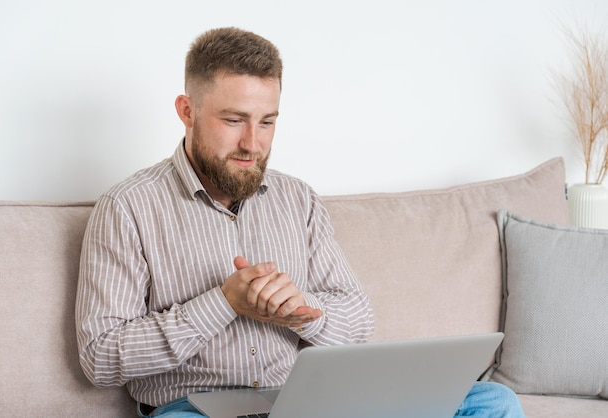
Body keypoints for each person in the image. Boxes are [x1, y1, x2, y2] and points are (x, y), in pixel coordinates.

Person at [75, 27, 524, 417]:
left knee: (494, 403)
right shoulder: (127, 207)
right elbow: (100, 358)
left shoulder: (298, 199)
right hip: (191, 408)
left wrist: (301, 312)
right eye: (233, 120)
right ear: (187, 111)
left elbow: (357, 319)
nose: (253, 143)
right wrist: (224, 302)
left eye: (267, 121)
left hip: (301, 403)